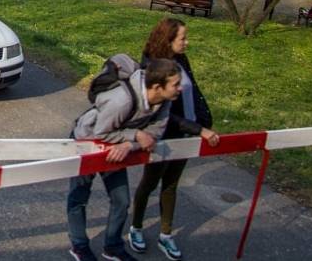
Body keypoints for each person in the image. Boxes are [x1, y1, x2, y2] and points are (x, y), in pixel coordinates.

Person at [67, 57, 183, 261]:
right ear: (157, 86)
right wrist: (136, 136)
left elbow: (155, 133)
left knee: (121, 201)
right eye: (176, 84)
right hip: (86, 142)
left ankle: (112, 246)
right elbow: (100, 133)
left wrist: (130, 144)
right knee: (79, 197)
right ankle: (79, 245)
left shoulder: (165, 101)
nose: (180, 88)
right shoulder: (122, 101)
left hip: (117, 147)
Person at [129, 18, 219, 261]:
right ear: (168, 40)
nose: (187, 43)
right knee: (150, 182)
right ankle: (136, 227)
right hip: (164, 135)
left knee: (171, 185)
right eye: (182, 39)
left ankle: (165, 234)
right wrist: (198, 129)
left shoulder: (181, 60)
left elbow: (193, 91)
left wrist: (203, 120)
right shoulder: (153, 67)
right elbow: (164, 113)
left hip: (188, 133)